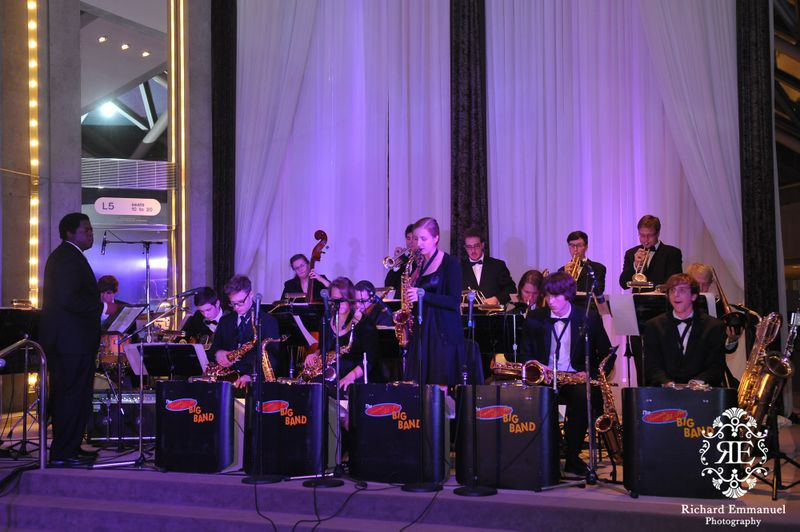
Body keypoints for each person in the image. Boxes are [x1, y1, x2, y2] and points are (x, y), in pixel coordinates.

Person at [519, 272, 613, 476]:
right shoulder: (535, 318)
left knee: (583, 397)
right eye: (547, 296)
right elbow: (525, 354)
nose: (550, 301)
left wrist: (588, 373)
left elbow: (608, 355)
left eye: (555, 296)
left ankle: (572, 456)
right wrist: (537, 365)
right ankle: (550, 454)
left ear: (568, 295)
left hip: (575, 378)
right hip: (546, 377)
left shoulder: (588, 318)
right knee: (540, 398)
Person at [39, 213, 102, 466]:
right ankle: (63, 452)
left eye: (91, 229)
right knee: (69, 397)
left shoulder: (72, 256)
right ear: (69, 233)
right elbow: (68, 299)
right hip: (69, 343)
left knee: (78, 396)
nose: (91, 234)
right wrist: (100, 307)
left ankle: (72, 447)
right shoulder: (66, 257)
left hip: (75, 342)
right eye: (86, 230)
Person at [405, 217, 475, 386]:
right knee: (419, 385)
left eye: (424, 239)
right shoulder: (419, 264)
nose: (419, 243)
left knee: (440, 385)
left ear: (436, 238)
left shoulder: (451, 263)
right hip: (423, 331)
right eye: (416, 239)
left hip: (442, 333)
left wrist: (423, 295)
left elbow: (453, 301)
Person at [644, 274, 726, 387]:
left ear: (693, 296)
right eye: (672, 290)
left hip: (701, 393)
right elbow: (651, 366)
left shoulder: (714, 326)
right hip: (665, 393)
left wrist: (697, 383)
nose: (676, 295)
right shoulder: (653, 326)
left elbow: (716, 366)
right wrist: (667, 383)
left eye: (682, 290)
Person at [303, 277, 382, 388]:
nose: (339, 304)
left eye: (343, 299)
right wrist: (314, 355)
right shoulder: (326, 321)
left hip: (356, 377)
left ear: (351, 298)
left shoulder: (365, 323)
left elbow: (370, 360)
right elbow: (322, 348)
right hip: (331, 374)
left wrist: (350, 377)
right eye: (335, 300)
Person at [209, 275, 281, 388]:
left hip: (253, 383)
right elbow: (214, 348)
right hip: (226, 381)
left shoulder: (268, 321)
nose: (236, 307)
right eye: (233, 303)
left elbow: (272, 356)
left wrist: (251, 376)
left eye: (240, 302)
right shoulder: (225, 320)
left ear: (251, 294)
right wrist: (218, 353)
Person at [619, 214, 682, 290]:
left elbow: (673, 284)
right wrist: (635, 265)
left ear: (658, 234)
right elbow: (623, 284)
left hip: (660, 297)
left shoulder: (672, 253)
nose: (646, 240)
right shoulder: (631, 253)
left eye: (650, 235)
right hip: (637, 298)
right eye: (642, 235)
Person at [460, 227, 516, 305]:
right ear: (465, 247)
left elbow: (511, 289)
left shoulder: (498, 265)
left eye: (476, 246)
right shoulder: (458, 268)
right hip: (467, 313)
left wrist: (497, 299)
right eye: (469, 247)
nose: (473, 250)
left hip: (493, 312)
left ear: (482, 245)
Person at [558, 231, 606, 295]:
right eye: (572, 245)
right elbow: (558, 293)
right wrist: (564, 277)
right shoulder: (561, 271)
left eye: (579, 245)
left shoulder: (598, 268)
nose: (575, 249)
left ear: (586, 247)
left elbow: (598, 291)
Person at [384, 223, 417, 297]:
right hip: (399, 302)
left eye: (414, 238)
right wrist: (396, 265)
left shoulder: (422, 261)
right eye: (408, 238)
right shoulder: (404, 259)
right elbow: (389, 285)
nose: (410, 242)